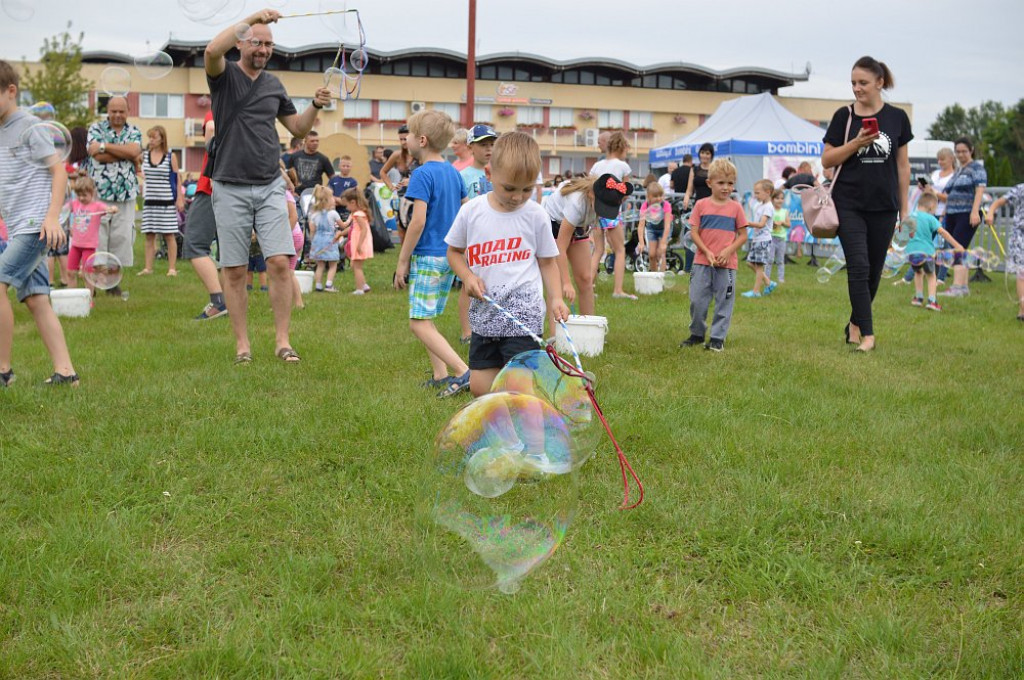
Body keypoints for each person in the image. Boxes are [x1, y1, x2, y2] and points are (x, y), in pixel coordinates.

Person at [205, 7, 330, 364]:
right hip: (229, 185)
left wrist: (316, 106)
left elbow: (298, 129)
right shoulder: (223, 74)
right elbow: (212, 51)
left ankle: (282, 341)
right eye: (256, 43)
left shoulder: (274, 84)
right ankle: (243, 345)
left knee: (279, 262)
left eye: (269, 44)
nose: (263, 49)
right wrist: (256, 15)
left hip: (270, 185)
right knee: (234, 269)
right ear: (241, 42)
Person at [446, 131, 569, 397]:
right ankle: (502, 432)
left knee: (518, 389)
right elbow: (454, 252)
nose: (517, 197)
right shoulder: (471, 212)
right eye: (509, 188)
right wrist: (467, 277)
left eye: (526, 189)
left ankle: (526, 437)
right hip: (484, 319)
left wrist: (556, 297)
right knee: (481, 389)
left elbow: (548, 263)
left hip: (523, 319)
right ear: (489, 174)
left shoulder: (536, 214)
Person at [821, 56, 912, 353]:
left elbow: (902, 166)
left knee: (874, 271)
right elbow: (827, 160)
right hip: (848, 204)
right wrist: (856, 143)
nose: (857, 88)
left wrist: (905, 209)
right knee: (858, 266)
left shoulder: (897, 118)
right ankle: (868, 336)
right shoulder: (843, 116)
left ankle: (855, 324)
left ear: (879, 83)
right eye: (853, 83)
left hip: (885, 207)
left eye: (863, 83)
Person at [0, 59, 79, 387]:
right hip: (19, 224)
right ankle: (66, 372)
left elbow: (58, 171)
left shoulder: (30, 126)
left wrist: (51, 217)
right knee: (35, 299)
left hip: (37, 224)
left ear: (11, 91)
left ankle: (3, 370)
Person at [392, 110, 470, 397]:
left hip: (427, 255)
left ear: (421, 140)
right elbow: (466, 211)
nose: (406, 140)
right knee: (426, 316)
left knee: (418, 322)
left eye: (409, 135)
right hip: (450, 256)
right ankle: (440, 374)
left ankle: (463, 372)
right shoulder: (453, 172)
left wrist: (402, 261)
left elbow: (418, 221)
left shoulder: (421, 174)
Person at [680, 159, 748, 352]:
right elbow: (693, 232)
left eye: (730, 183)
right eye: (721, 183)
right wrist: (707, 251)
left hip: (727, 265)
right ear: (710, 183)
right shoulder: (701, 205)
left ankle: (717, 337)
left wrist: (728, 251)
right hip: (702, 262)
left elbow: (743, 235)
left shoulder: (736, 208)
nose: (726, 188)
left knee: (724, 301)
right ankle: (697, 333)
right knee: (697, 299)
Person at [86, 95, 142, 294]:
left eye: (121, 111)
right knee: (98, 238)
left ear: (127, 112)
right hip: (99, 192)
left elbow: (134, 151)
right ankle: (95, 281)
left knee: (121, 238)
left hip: (125, 193)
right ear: (107, 111)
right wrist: (124, 152)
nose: (117, 115)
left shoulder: (134, 131)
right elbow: (95, 155)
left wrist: (105, 146)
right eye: (113, 111)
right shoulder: (95, 129)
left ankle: (112, 283)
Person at [545, 175, 613, 323]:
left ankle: (589, 330)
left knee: (585, 278)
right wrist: (566, 282)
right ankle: (556, 338)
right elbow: (560, 248)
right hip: (553, 223)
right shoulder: (576, 203)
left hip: (577, 225)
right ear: (591, 195)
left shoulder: (600, 205)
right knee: (556, 287)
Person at [182, 111, 228, 320]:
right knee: (229, 252)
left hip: (211, 187)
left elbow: (211, 128)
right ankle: (231, 302)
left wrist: (215, 166)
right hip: (235, 188)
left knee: (195, 245)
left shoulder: (219, 106)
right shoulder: (246, 107)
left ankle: (219, 303)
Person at [457, 124, 498, 343]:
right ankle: (467, 331)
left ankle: (492, 325)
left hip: (496, 237)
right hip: (472, 236)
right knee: (469, 283)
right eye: (483, 145)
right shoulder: (462, 176)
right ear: (471, 147)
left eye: (492, 144)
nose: (488, 149)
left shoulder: (500, 173)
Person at [938, 137, 987, 298]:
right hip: (952, 213)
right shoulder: (959, 170)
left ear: (971, 150)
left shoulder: (977, 168)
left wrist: (974, 212)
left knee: (957, 248)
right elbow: (947, 193)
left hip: (967, 213)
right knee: (959, 248)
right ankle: (963, 287)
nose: (960, 154)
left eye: (964, 151)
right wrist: (944, 213)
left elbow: (980, 190)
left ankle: (957, 287)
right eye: (957, 151)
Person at [589, 131, 636, 299]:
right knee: (620, 250)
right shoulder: (623, 167)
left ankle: (589, 288)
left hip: (595, 212)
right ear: (621, 147)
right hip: (612, 211)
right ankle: (618, 290)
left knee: (598, 250)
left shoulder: (597, 166)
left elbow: (590, 188)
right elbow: (626, 191)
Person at [138, 125, 184, 277]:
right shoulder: (144, 155)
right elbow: (137, 169)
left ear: (162, 139)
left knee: (169, 234)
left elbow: (177, 178)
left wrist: (179, 198)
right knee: (149, 235)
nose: (151, 140)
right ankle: (148, 268)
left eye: (154, 137)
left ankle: (172, 268)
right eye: (149, 137)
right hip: (150, 200)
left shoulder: (171, 156)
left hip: (167, 201)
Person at [905, 193, 964, 311]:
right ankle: (932, 301)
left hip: (912, 252)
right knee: (931, 275)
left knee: (918, 273)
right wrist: (957, 245)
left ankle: (918, 298)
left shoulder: (910, 216)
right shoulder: (931, 218)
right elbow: (943, 232)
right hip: (927, 252)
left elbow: (900, 231)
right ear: (931, 207)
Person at [66, 174, 118, 296]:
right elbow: (63, 209)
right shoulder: (75, 204)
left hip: (89, 247)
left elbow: (108, 208)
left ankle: (88, 299)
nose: (81, 198)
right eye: (79, 195)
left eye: (85, 195)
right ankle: (72, 298)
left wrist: (113, 208)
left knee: (87, 274)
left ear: (92, 193)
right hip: (75, 245)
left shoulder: (97, 206)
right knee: (70, 272)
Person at [985, 183, 1024, 321]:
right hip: (1019, 236)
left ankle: (1021, 310)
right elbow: (999, 201)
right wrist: (990, 212)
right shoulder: (1021, 189)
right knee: (1022, 273)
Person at [381, 124, 417, 243]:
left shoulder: (420, 154)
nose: (403, 142)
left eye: (405, 139)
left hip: (418, 196)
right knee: (402, 230)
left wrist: (412, 181)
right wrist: (391, 187)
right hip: (402, 197)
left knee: (417, 229)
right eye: (400, 139)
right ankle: (405, 259)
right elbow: (383, 172)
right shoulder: (397, 155)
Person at [742, 179, 776, 298]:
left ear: (767, 192)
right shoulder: (760, 206)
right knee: (750, 263)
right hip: (757, 239)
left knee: (759, 266)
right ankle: (768, 282)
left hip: (763, 240)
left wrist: (747, 223)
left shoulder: (768, 207)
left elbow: (761, 224)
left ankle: (756, 292)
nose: (755, 195)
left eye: (757, 193)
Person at [337, 187, 374, 295]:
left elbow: (364, 229)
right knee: (354, 265)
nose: (347, 208)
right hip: (358, 241)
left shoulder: (358, 215)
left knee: (357, 267)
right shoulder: (358, 214)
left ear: (353, 202)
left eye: (347, 205)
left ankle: (359, 289)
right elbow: (354, 228)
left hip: (359, 242)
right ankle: (363, 285)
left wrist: (359, 244)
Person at [307, 184, 343, 292]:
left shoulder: (314, 214)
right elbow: (342, 226)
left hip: (318, 240)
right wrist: (350, 220)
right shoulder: (333, 213)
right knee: (333, 264)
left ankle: (318, 285)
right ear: (327, 200)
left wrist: (313, 242)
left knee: (320, 265)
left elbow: (312, 230)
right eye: (332, 197)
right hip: (329, 241)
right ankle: (329, 285)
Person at [636, 181, 672, 272]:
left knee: (661, 253)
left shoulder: (666, 205)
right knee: (651, 255)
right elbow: (641, 226)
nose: (659, 198)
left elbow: (667, 225)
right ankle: (654, 276)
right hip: (651, 229)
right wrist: (641, 242)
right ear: (648, 196)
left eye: (661, 195)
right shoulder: (645, 206)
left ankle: (661, 278)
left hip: (664, 229)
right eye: (655, 196)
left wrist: (663, 242)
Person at [285, 130, 334, 195]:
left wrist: (325, 190)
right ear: (305, 142)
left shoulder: (323, 159)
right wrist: (291, 190)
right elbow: (287, 174)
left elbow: (333, 178)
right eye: (312, 141)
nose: (315, 143)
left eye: (317, 141)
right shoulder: (295, 156)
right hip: (296, 194)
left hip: (314, 195)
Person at [765, 188, 790, 283]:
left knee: (780, 260)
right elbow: (766, 222)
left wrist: (782, 223)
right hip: (771, 238)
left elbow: (788, 225)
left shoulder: (785, 212)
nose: (780, 200)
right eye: (777, 198)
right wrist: (773, 224)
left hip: (781, 239)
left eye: (782, 198)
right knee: (770, 259)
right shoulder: (770, 210)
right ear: (772, 199)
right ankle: (766, 278)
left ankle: (781, 279)